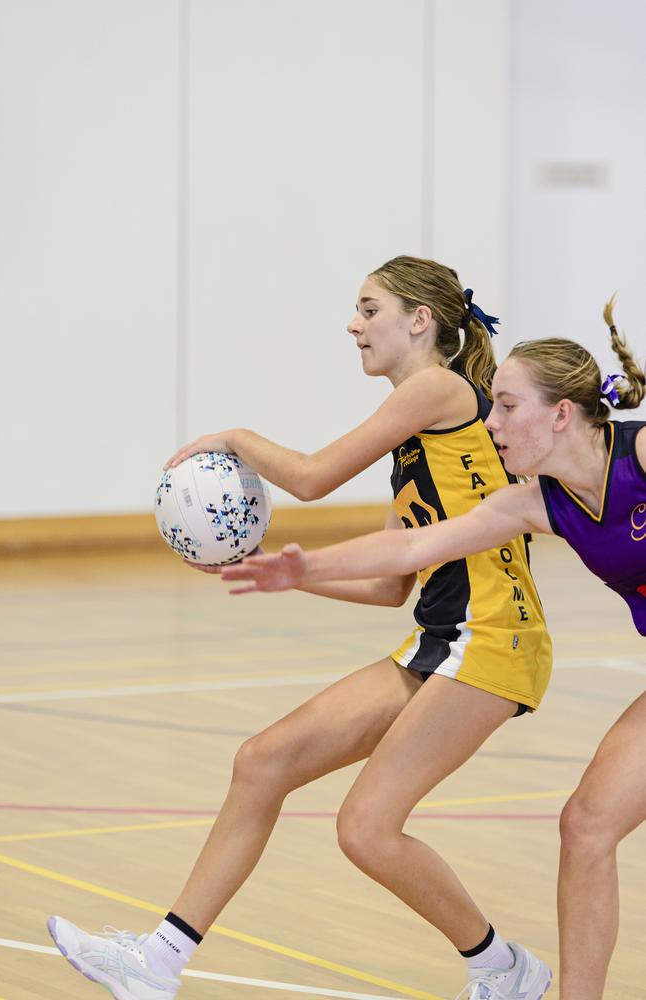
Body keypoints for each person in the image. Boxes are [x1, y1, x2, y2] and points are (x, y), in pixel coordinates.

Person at [47, 256, 554, 1000]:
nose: (354, 324)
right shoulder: (423, 430)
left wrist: (235, 438)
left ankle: (503, 969)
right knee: (263, 761)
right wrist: (266, 565)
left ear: (420, 320)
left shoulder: (436, 389)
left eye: (368, 308)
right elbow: (389, 586)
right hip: (442, 639)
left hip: (495, 640)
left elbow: (313, 477)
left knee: (366, 828)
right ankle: (155, 964)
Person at [221, 302, 646, 1000]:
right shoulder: (536, 503)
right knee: (587, 825)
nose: (495, 423)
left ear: (563, 415)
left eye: (507, 407)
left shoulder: (640, 455)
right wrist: (307, 568)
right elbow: (415, 545)